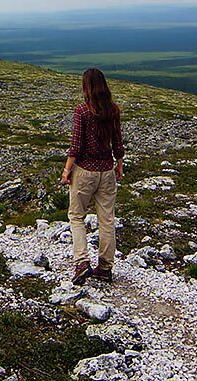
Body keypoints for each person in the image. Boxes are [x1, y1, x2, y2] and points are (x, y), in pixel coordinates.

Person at [62, 67, 125, 285]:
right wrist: (119, 164)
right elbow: (117, 142)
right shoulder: (113, 110)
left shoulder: (83, 111)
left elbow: (76, 145)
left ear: (86, 87)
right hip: (107, 171)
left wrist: (67, 170)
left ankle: (82, 262)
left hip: (85, 171)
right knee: (106, 219)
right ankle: (105, 267)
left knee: (76, 216)